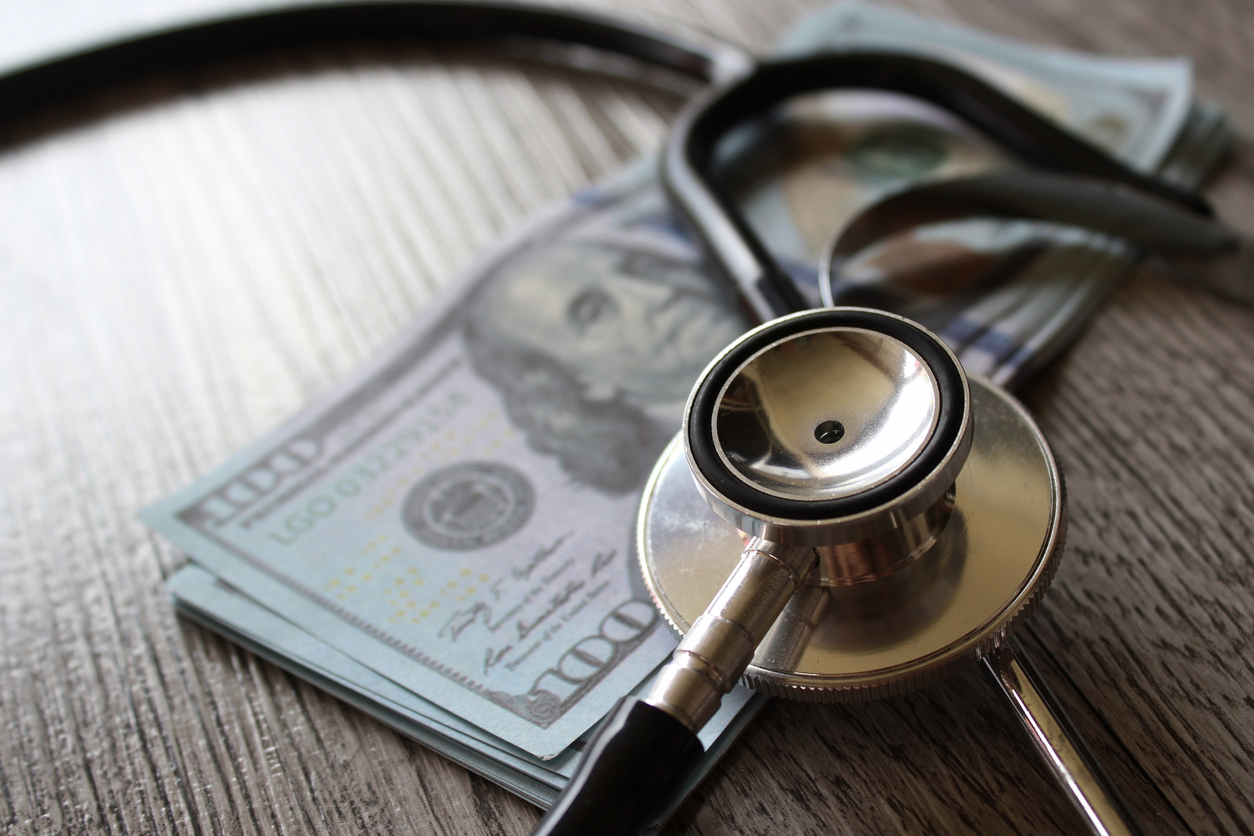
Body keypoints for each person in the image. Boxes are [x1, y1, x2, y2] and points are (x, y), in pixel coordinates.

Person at [463, 217, 746, 496]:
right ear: (584, 382)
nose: (658, 293)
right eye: (595, 313)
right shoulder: (683, 488)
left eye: (638, 270)